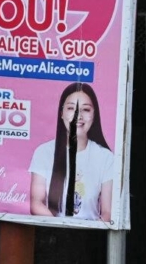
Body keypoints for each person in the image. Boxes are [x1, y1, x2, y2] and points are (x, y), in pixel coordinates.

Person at [29, 83, 114, 221]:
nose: (77, 116)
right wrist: (61, 227)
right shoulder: (43, 152)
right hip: (52, 232)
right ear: (61, 113)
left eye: (85, 109)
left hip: (89, 236)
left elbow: (107, 212)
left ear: (95, 114)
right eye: (71, 108)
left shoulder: (106, 158)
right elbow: (36, 203)